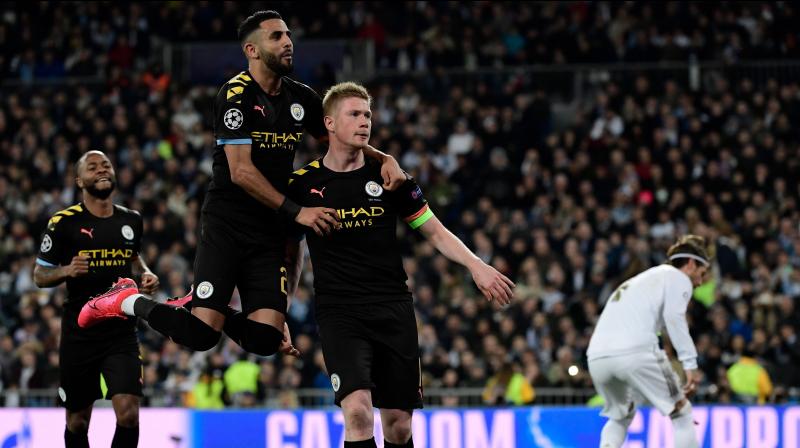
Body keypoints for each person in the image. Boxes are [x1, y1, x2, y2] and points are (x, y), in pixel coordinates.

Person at [78, 10, 404, 359]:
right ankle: (127, 301)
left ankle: (196, 302)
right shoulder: (235, 96)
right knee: (201, 335)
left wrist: (383, 158)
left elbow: (338, 140)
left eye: (289, 35)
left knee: (265, 340)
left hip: (269, 231)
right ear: (252, 49)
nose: (288, 43)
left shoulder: (301, 97)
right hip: (228, 224)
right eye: (276, 37)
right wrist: (299, 213)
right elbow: (241, 172)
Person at [285, 82, 515, 448]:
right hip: (339, 312)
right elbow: (291, 251)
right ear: (329, 123)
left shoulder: (390, 178)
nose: (364, 122)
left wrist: (476, 265)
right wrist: (280, 309)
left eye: (368, 115)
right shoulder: (302, 184)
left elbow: (435, 231)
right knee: (358, 413)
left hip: (393, 308)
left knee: (399, 427)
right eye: (354, 114)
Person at [34, 150, 159, 448]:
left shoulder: (132, 219)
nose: (101, 170)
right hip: (80, 333)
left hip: (121, 332)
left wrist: (146, 273)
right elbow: (39, 275)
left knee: (128, 415)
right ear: (79, 180)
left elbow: (133, 256)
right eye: (92, 167)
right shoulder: (63, 222)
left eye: (106, 165)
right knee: (78, 421)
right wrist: (66, 270)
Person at [586, 235, 711, 448]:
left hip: (597, 358)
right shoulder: (677, 277)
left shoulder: (641, 281)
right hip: (634, 353)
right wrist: (689, 364)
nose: (699, 282)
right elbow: (675, 319)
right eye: (701, 274)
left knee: (621, 417)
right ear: (690, 264)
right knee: (682, 414)